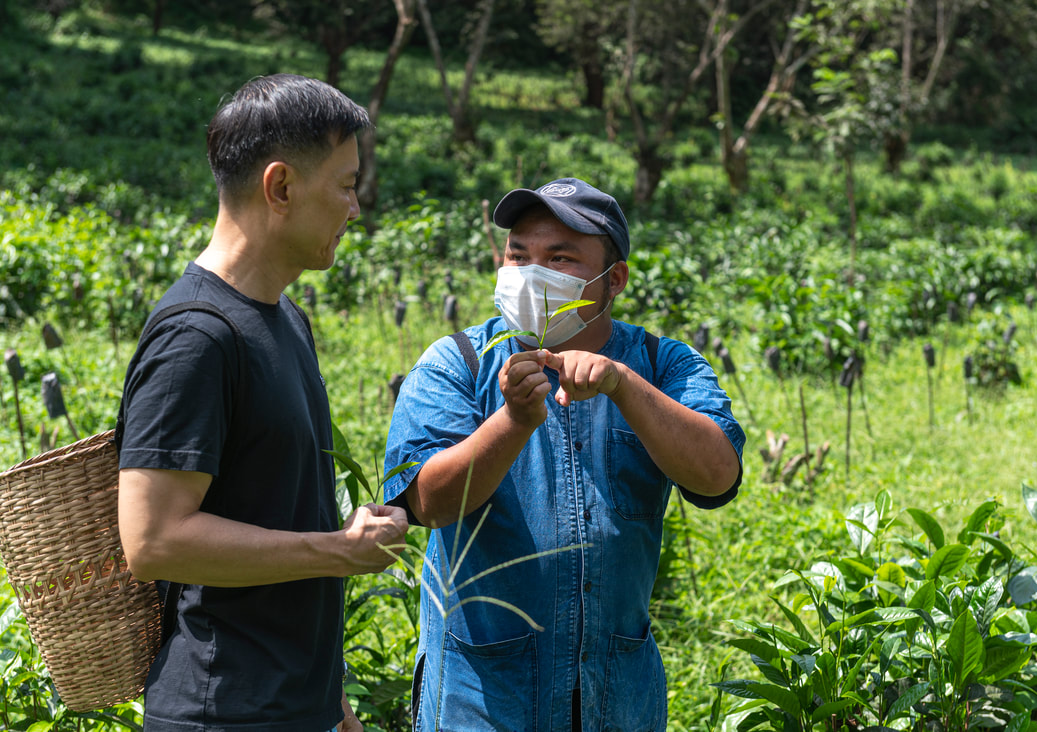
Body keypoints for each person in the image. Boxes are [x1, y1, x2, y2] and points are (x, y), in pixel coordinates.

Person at [383, 177, 745, 731]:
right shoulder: (457, 363)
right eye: (518, 254)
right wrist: (512, 422)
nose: (532, 274)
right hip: (482, 700)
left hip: (616, 699)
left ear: (613, 279)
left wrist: (623, 385)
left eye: (560, 257)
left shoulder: (662, 364)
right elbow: (429, 502)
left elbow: (717, 476)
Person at [116, 74, 409, 732]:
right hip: (221, 712)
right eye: (344, 184)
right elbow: (154, 539)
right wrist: (339, 549)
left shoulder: (284, 320)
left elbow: (272, 506)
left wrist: (328, 702)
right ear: (280, 187)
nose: (355, 208)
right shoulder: (197, 336)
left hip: (290, 707)